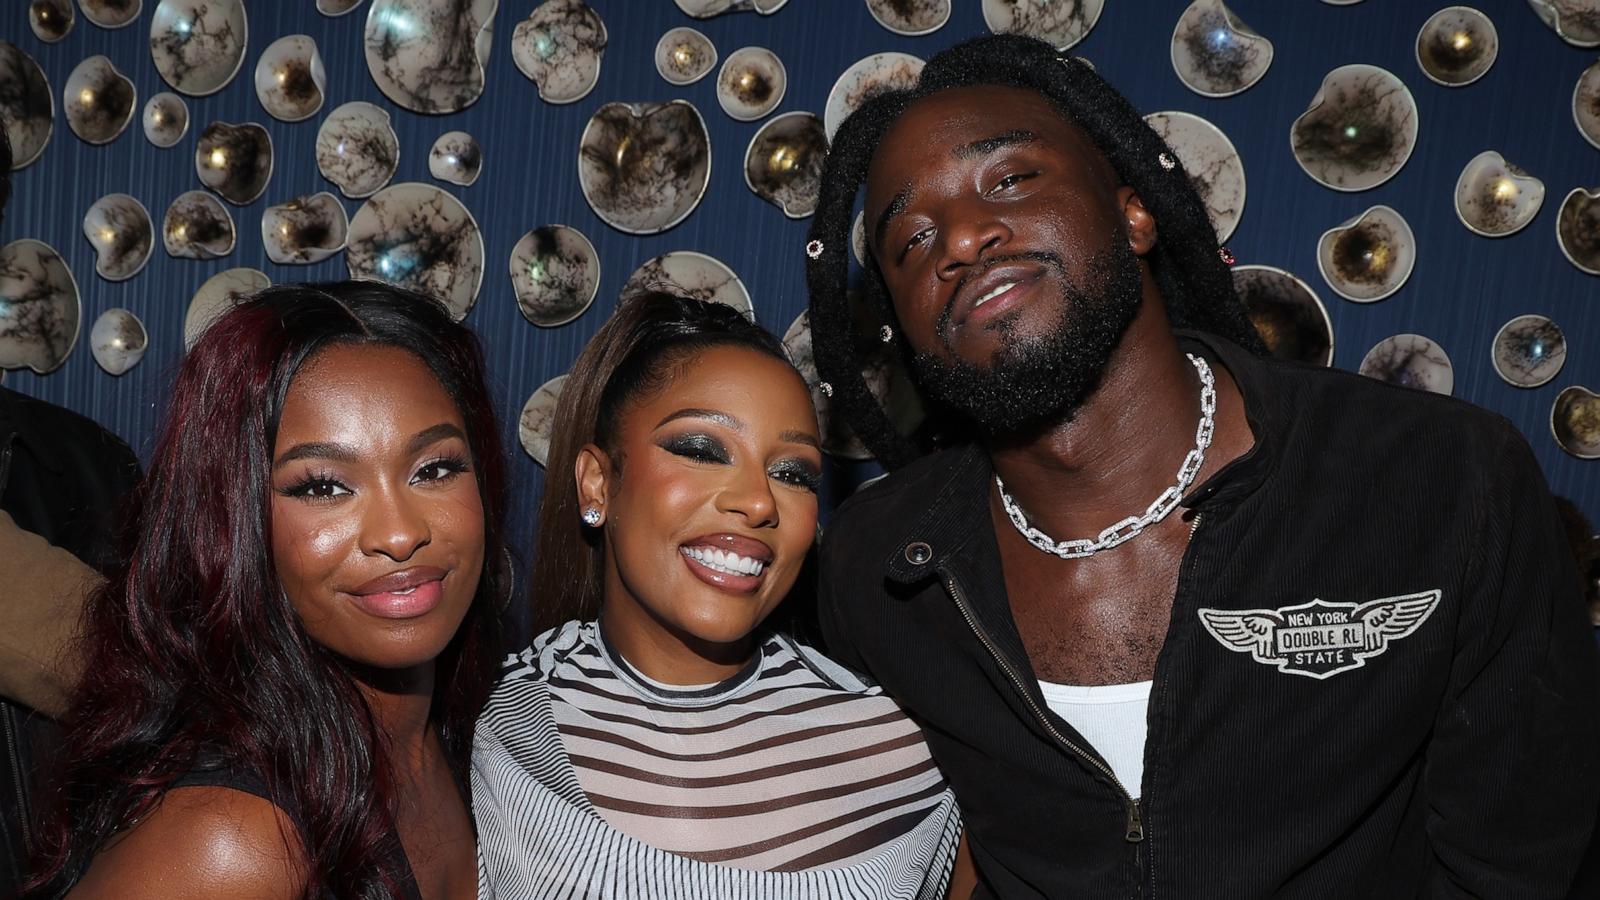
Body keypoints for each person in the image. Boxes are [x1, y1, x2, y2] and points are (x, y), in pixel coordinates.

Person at [802, 33, 1600, 898]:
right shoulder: (875, 569)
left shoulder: (1442, 481)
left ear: (1135, 210)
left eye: (1011, 180)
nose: (960, 236)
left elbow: (1525, 867)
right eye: (911, 241)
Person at [472, 292, 969, 898]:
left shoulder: (902, 748)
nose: (759, 501)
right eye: (702, 450)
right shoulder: (501, 726)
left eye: (793, 473)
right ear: (597, 482)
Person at [25, 282, 510, 898]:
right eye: (323, 487)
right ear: (235, 523)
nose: (399, 533)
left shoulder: (479, 741)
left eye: (435, 469)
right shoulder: (233, 840)